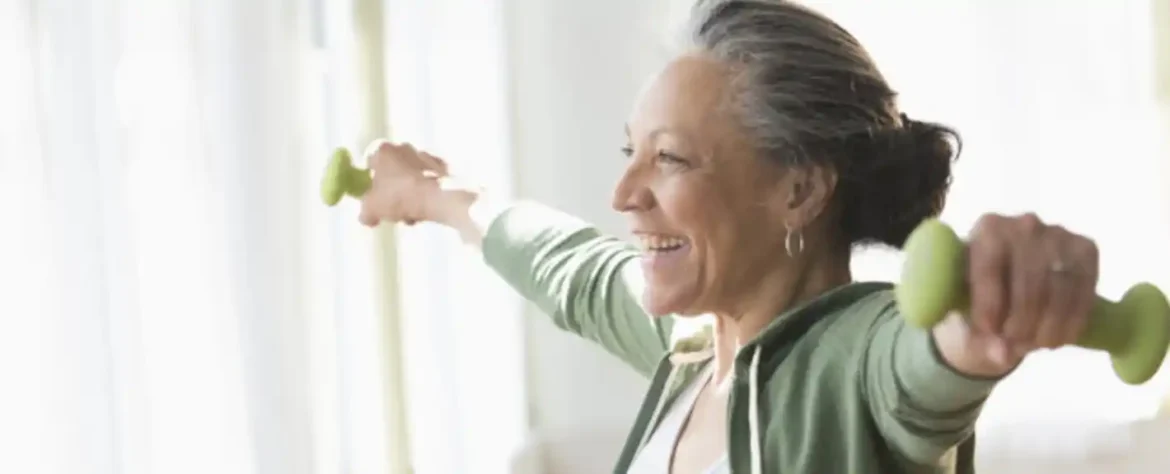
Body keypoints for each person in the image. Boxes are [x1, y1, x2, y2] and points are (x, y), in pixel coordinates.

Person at [355, 1, 1100, 472]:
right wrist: (435, 196)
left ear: (799, 190)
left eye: (670, 159)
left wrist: (985, 321)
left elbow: (922, 364)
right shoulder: (692, 350)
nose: (623, 194)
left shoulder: (852, 360)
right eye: (631, 154)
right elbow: (572, 272)